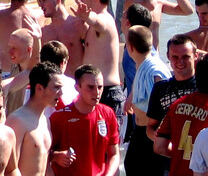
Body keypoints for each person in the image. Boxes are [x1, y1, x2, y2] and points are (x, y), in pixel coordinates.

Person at [70, 0, 124, 127]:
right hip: (94, 92)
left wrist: (88, 16)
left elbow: (98, 21)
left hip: (108, 93)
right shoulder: (90, 25)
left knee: (109, 146)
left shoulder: (105, 20)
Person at [48, 64, 119, 176]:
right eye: (90, 87)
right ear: (77, 87)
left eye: (100, 87)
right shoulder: (59, 118)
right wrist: (56, 156)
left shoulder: (108, 114)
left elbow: (114, 154)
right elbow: (41, 155)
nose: (97, 92)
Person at [145, 34, 199, 176]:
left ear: (195, 56)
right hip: (170, 161)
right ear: (168, 56)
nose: (180, 62)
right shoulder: (160, 88)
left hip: (200, 160)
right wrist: (157, 138)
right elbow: (150, 126)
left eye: (186, 57)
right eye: (175, 57)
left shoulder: (203, 87)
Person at [126, 25, 171, 176]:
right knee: (131, 165)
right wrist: (130, 98)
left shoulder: (153, 69)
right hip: (142, 132)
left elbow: (164, 104)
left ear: (130, 47)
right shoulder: (145, 63)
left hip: (151, 134)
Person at [5, 62, 64, 176]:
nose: (61, 93)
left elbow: (44, 164)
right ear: (39, 88)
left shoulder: (45, 120)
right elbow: (10, 168)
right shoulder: (17, 120)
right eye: (56, 87)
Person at [35, 0, 86, 76]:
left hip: (77, 86)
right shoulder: (44, 32)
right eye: (40, 1)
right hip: (52, 87)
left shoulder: (78, 25)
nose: (41, 5)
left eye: (44, 0)